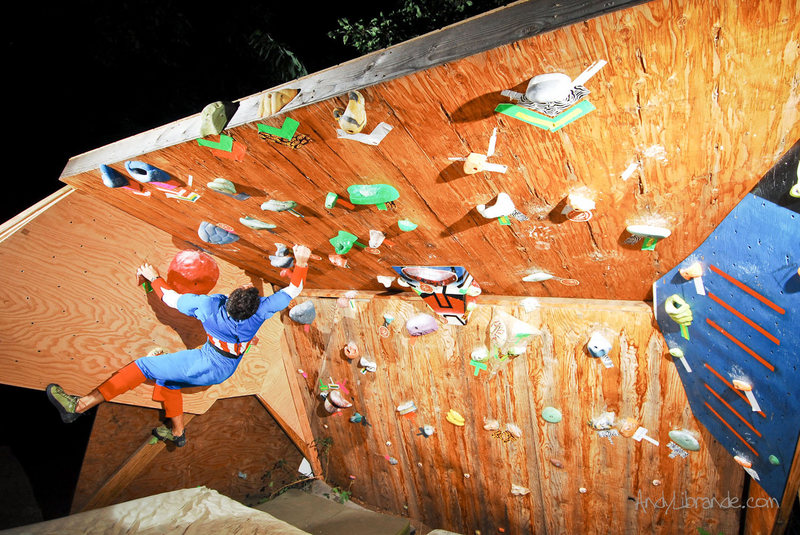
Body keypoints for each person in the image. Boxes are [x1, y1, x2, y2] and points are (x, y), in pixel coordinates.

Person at [46, 244, 312, 447]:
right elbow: (294, 289)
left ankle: (79, 406)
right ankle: (177, 433)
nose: (246, 286)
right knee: (170, 383)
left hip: (209, 363)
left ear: (230, 300)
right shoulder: (260, 312)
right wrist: (301, 261)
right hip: (225, 365)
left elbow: (170, 298)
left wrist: (154, 277)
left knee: (145, 366)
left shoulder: (208, 307)